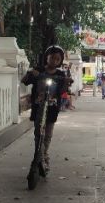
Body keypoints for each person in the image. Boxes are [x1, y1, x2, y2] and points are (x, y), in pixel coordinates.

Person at [21, 45, 72, 174]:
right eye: (52, 57)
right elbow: (25, 81)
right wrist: (30, 73)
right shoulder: (38, 70)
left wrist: (66, 82)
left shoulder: (60, 74)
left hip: (52, 108)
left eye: (57, 59)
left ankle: (44, 156)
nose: (54, 60)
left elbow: (63, 91)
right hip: (38, 107)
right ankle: (40, 156)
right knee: (38, 134)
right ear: (47, 58)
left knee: (47, 134)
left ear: (60, 61)